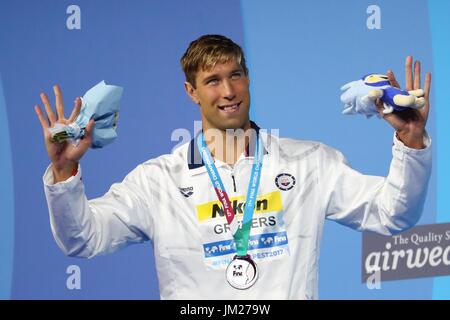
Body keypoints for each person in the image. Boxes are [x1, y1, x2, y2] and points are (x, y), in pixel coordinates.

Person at [35, 34, 432, 299]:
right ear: (191, 92)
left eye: (235, 76)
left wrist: (410, 141)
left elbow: (392, 214)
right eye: (212, 81)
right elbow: (82, 239)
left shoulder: (311, 163)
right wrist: (65, 175)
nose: (228, 92)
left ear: (248, 79)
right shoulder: (157, 181)